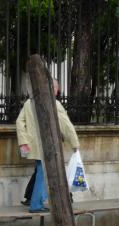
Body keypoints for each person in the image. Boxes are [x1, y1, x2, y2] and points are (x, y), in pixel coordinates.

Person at [16, 78, 80, 213]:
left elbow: (19, 122)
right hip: (49, 146)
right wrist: (74, 143)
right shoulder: (54, 104)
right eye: (57, 88)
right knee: (43, 173)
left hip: (34, 145)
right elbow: (66, 125)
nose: (58, 92)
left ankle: (37, 201)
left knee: (42, 171)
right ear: (52, 89)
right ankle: (36, 204)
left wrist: (24, 141)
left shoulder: (29, 102)